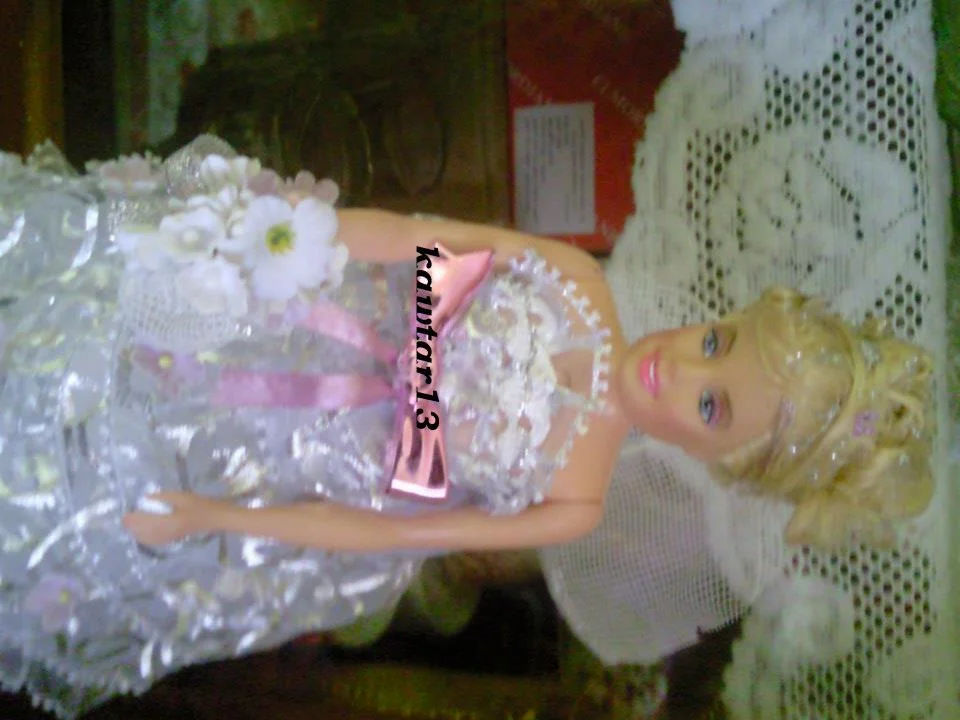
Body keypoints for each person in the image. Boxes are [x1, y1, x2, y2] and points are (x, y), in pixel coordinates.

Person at [0, 137, 934, 716]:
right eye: (716, 341)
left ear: (715, 461)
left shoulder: (575, 497)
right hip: (274, 318)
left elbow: (381, 535)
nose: (681, 365)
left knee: (72, 484)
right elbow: (412, 237)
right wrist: (278, 237)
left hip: (277, 465)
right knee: (81, 333)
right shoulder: (577, 280)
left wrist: (214, 517)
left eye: (710, 405)